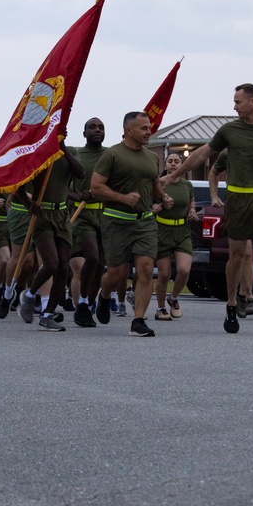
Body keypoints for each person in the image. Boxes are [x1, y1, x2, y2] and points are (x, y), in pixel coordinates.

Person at [162, 83, 253, 334]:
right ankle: (232, 304)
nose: (234, 106)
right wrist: (173, 175)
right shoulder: (229, 130)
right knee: (237, 255)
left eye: (238, 102)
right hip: (237, 199)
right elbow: (201, 155)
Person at [90, 111, 171, 337]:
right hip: (116, 221)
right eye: (144, 128)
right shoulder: (112, 155)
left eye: (149, 128)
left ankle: (138, 321)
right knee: (117, 272)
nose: (149, 132)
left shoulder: (151, 157)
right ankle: (104, 295)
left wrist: (163, 197)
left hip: (144, 222)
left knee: (145, 269)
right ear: (129, 130)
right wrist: (123, 198)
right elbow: (96, 187)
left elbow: (154, 183)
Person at [15, 137, 85, 331]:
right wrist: (29, 205)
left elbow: (80, 173)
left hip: (62, 214)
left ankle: (47, 315)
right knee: (52, 263)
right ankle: (29, 295)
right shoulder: (37, 153)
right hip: (42, 214)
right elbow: (18, 188)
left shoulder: (69, 152)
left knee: (64, 267)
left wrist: (63, 149)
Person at [209, 151, 253, 318]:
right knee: (239, 255)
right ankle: (234, 296)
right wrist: (214, 196)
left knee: (251, 253)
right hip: (236, 206)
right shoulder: (228, 153)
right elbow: (213, 172)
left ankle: (247, 293)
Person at [68, 117, 106, 327]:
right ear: (84, 134)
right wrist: (78, 196)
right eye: (92, 127)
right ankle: (81, 302)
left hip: (105, 216)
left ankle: (88, 305)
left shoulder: (110, 155)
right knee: (91, 257)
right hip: (82, 217)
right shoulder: (76, 155)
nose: (97, 130)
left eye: (101, 127)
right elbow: (63, 187)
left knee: (101, 264)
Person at [153, 153, 197, 320]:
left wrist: (192, 209)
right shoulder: (160, 184)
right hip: (162, 230)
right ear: (165, 166)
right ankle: (160, 308)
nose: (173, 164)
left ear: (182, 165)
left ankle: (174, 298)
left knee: (184, 270)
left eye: (176, 162)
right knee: (164, 274)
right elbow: (149, 203)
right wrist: (156, 207)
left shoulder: (187, 185)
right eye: (170, 162)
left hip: (182, 231)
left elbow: (191, 201)